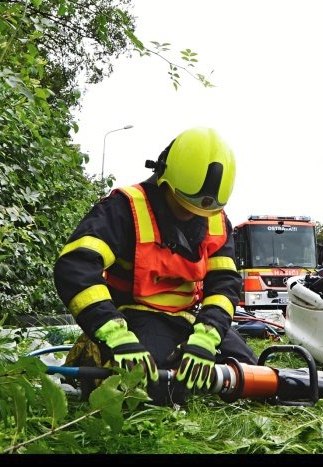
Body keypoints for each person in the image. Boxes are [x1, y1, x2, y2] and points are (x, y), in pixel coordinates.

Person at [54, 127, 258, 406]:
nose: (193, 216)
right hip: (131, 316)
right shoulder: (124, 208)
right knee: (156, 387)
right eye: (185, 205)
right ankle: (93, 350)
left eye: (203, 211)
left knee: (251, 374)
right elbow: (75, 266)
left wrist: (207, 336)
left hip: (187, 319)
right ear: (163, 180)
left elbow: (225, 284)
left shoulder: (216, 219)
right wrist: (114, 334)